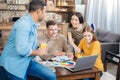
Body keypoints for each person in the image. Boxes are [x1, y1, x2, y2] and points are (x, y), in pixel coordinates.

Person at [0, 0, 56, 80]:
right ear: (39, 11)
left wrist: (39, 47)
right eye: (44, 12)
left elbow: (28, 45)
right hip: (12, 66)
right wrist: (38, 52)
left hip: (26, 61)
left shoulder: (32, 24)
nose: (45, 15)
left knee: (51, 76)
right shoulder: (24, 24)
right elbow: (21, 49)